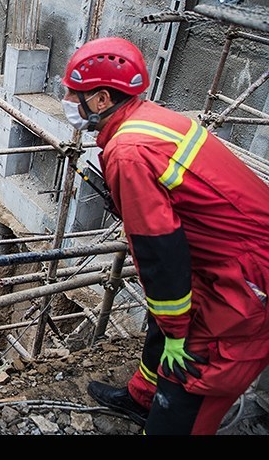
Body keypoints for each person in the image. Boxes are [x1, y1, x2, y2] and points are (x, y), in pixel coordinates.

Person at [60, 36, 269, 435]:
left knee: (191, 373)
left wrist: (177, 332)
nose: (68, 100)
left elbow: (159, 251)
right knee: (168, 311)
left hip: (249, 278)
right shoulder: (149, 118)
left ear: (101, 99)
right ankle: (143, 398)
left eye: (74, 93)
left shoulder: (129, 151)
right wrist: (170, 320)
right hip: (225, 255)